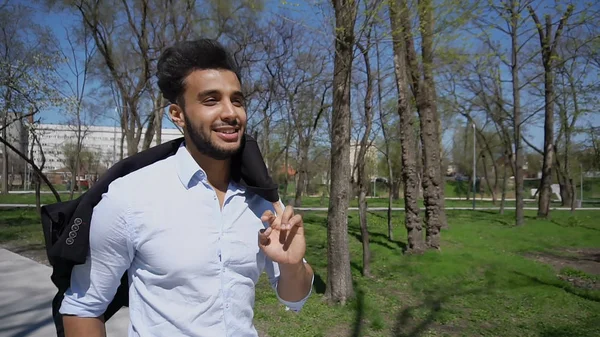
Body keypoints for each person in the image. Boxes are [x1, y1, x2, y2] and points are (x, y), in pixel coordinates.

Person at [59, 38, 314, 337]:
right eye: (211, 100)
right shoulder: (130, 197)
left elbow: (294, 299)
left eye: (237, 100)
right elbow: (83, 307)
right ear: (178, 115)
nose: (231, 112)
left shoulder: (263, 202)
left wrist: (292, 265)